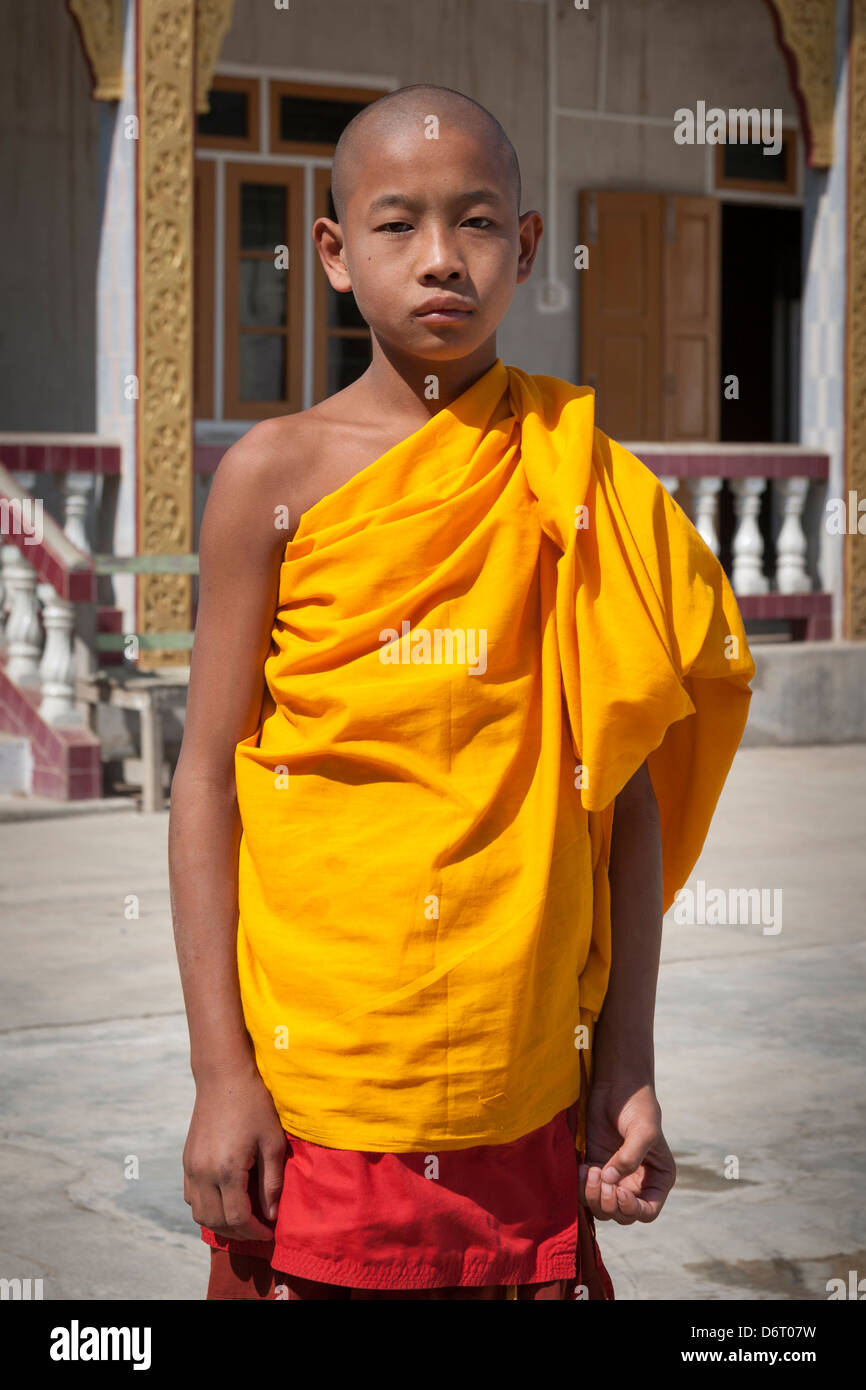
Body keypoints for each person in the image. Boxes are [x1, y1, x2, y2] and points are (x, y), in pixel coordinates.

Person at [168, 83, 755, 1301]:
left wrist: (627, 1061)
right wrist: (223, 1075)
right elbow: (206, 780)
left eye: (476, 222)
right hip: (325, 1072)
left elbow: (623, 793)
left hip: (523, 1079)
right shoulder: (270, 479)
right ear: (331, 252)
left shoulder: (577, 477)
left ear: (527, 249)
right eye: (396, 224)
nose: (440, 258)